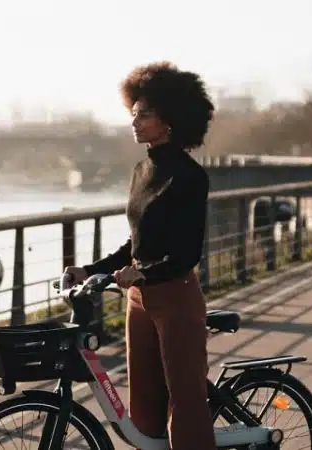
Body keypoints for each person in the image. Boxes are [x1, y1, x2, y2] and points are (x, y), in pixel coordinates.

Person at [62, 61, 216, 450]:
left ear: (170, 120)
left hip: (175, 298)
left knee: (185, 404)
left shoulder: (190, 177)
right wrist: (90, 270)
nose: (135, 121)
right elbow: (136, 244)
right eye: (133, 113)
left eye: (144, 114)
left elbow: (186, 253)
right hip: (138, 300)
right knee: (145, 406)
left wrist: (143, 274)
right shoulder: (141, 170)